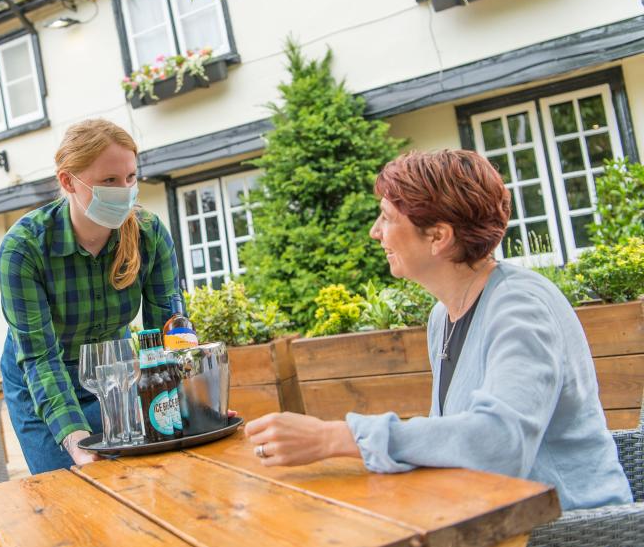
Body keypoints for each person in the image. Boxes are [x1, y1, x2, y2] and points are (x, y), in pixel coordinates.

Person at [244, 149, 632, 511]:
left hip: (564, 525)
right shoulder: (442, 316)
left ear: (438, 237)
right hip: (486, 513)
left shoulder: (521, 307)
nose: (375, 232)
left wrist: (333, 438)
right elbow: (451, 439)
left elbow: (499, 443)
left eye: (388, 217)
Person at [0, 119, 180, 474]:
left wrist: (190, 400)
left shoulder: (150, 234)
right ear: (68, 181)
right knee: (69, 487)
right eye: (109, 181)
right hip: (42, 379)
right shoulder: (25, 248)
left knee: (137, 474)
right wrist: (75, 439)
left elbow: (169, 333)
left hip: (114, 372)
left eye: (130, 178)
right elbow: (39, 358)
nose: (125, 191)